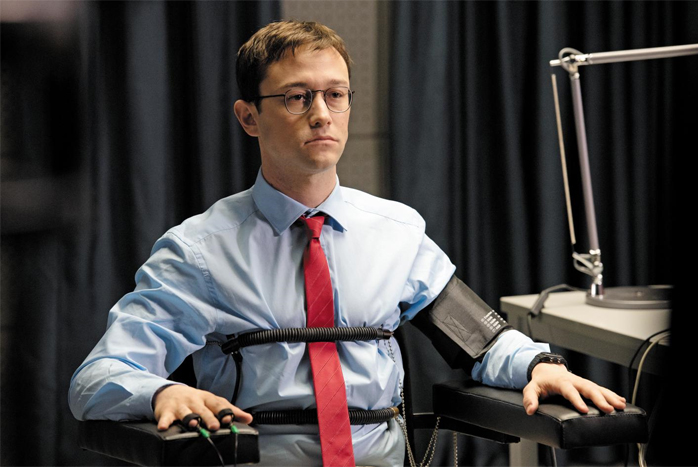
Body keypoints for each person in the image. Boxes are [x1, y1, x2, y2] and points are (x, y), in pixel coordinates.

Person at [69, 20, 626, 466]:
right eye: (296, 97)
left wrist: (538, 365)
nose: (321, 115)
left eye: (335, 95)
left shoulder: (397, 233)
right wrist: (161, 393)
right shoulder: (198, 252)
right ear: (249, 117)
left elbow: (481, 341)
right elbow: (97, 379)